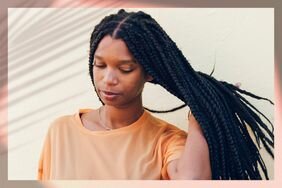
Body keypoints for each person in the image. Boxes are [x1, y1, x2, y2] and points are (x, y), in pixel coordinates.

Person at [37, 9, 274, 180]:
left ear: (149, 73)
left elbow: (191, 181)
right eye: (100, 65)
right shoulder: (60, 131)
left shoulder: (166, 141)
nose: (108, 79)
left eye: (125, 68)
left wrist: (200, 114)